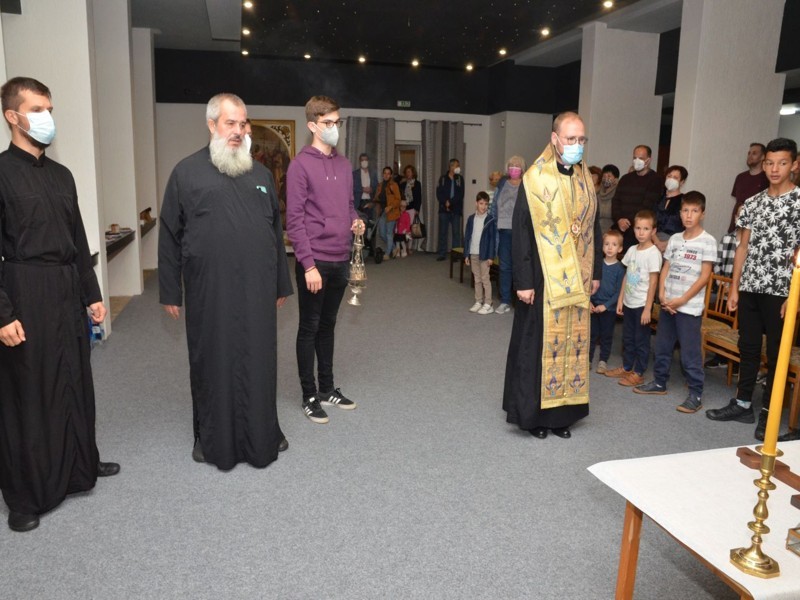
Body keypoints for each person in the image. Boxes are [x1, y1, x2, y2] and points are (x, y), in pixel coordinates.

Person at [0, 76, 119, 533]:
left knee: (74, 378)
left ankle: (79, 465)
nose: (47, 117)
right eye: (37, 109)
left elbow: (78, 239)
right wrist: (3, 314)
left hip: (67, 287)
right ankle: (25, 495)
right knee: (28, 390)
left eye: (49, 109)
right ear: (13, 116)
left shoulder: (62, 175)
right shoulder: (1, 172)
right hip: (23, 289)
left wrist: (92, 293)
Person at [159, 93, 293, 469]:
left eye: (243, 123)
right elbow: (169, 234)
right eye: (230, 123)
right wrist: (170, 290)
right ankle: (209, 436)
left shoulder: (261, 175)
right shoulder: (186, 173)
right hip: (209, 289)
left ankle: (264, 431)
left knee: (259, 358)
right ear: (211, 125)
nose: (238, 130)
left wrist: (281, 282)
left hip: (257, 288)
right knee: (212, 360)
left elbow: (274, 231)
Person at [502, 112, 602, 440]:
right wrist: (523, 281)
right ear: (555, 139)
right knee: (538, 345)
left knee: (572, 346)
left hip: (579, 280)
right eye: (571, 139)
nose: (577, 145)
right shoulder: (535, 178)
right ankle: (534, 418)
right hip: (542, 278)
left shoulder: (585, 180)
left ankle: (561, 417)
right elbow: (520, 232)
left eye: (581, 139)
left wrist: (596, 272)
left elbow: (593, 227)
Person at [706, 138, 800, 442]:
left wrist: (795, 297)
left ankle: (769, 415)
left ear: (794, 164)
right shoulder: (753, 203)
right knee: (747, 348)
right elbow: (742, 247)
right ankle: (743, 404)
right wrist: (734, 287)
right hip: (749, 287)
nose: (774, 169)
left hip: (781, 292)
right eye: (770, 162)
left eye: (782, 163)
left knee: (776, 355)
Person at [286, 95, 364, 424]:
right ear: (313, 126)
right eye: (328, 123)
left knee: (328, 325)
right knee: (309, 326)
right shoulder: (299, 165)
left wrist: (355, 221)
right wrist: (308, 265)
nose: (334, 128)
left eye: (337, 122)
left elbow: (348, 206)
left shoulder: (344, 165)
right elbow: (294, 221)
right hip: (314, 261)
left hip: (340, 258)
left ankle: (327, 388)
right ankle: (309, 394)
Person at [633, 193, 716, 413]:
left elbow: (704, 276)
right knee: (662, 346)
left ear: (702, 214)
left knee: (689, 352)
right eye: (685, 210)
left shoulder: (708, 241)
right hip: (668, 303)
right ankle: (659, 382)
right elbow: (666, 267)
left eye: (694, 211)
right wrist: (661, 294)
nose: (689, 215)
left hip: (688, 307)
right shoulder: (675, 239)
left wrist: (683, 300)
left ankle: (695, 393)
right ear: (680, 213)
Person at [606, 210, 662, 387]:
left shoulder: (653, 253)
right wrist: (620, 299)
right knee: (628, 338)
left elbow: (654, 283)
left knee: (641, 340)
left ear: (653, 231)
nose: (641, 232)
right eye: (638, 228)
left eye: (646, 229)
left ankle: (639, 372)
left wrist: (648, 309)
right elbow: (627, 276)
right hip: (629, 303)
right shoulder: (631, 250)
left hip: (641, 305)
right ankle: (627, 367)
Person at [489, 156, 526, 315]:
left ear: (522, 168)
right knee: (505, 266)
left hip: (521, 231)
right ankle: (505, 300)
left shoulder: (526, 184)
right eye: (511, 165)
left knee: (520, 266)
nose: (514, 168)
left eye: (517, 165)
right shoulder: (502, 183)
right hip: (503, 230)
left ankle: (521, 300)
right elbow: (495, 205)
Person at [611, 145, 663, 251]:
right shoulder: (625, 179)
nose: (637, 161)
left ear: (649, 160)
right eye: (635, 158)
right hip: (620, 227)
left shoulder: (655, 180)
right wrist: (619, 219)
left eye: (641, 158)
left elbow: (647, 205)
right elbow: (616, 201)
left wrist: (628, 222)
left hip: (639, 230)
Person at [590, 230, 625, 374]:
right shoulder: (596, 265)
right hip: (593, 306)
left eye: (614, 245)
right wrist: (589, 302)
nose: (610, 248)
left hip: (608, 309)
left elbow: (619, 292)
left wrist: (606, 305)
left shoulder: (620, 269)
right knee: (591, 334)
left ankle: (603, 360)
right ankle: (588, 359)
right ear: (602, 247)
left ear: (620, 249)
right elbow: (589, 284)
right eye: (606, 244)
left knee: (606, 335)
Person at [464, 191, 497, 315]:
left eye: (486, 204)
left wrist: (491, 256)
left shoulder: (490, 220)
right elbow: (467, 237)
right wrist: (466, 254)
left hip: (484, 254)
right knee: (477, 279)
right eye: (481, 203)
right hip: (473, 253)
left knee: (485, 279)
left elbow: (492, 240)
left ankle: (488, 303)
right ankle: (478, 301)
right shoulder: (471, 219)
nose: (483, 206)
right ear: (476, 203)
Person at [727, 143, 768, 233]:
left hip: (755, 229)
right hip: (735, 226)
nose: (750, 156)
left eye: (754, 153)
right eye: (749, 153)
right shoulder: (740, 177)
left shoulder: (767, 179)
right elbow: (737, 201)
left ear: (762, 157)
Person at [653, 165, 688, 253]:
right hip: (653, 241)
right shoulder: (658, 198)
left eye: (675, 177)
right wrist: (657, 242)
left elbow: (687, 227)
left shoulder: (685, 201)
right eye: (669, 176)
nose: (671, 179)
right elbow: (649, 222)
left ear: (682, 182)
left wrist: (667, 243)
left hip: (675, 243)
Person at [435, 158, 465, 260]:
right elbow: (439, 193)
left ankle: (455, 255)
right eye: (457, 165)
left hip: (456, 210)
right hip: (444, 209)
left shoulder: (460, 179)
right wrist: (446, 202)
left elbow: (460, 194)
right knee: (443, 232)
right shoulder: (443, 178)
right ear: (451, 166)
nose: (458, 167)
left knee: (456, 233)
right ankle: (442, 254)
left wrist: (450, 202)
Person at [375, 166, 401, 258]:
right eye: (385, 173)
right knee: (382, 234)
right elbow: (376, 198)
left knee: (389, 233)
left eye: (388, 173)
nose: (386, 175)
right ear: (382, 174)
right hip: (383, 212)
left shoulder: (394, 185)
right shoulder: (380, 185)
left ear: (391, 175)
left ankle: (387, 253)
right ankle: (394, 248)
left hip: (392, 212)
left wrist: (390, 206)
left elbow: (398, 200)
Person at [399, 164, 422, 253]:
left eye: (409, 172)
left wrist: (417, 209)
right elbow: (400, 195)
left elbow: (419, 197)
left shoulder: (417, 183)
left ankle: (409, 247)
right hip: (403, 208)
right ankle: (403, 246)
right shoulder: (403, 183)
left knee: (410, 228)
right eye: (407, 172)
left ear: (413, 173)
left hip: (412, 208)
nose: (408, 173)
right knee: (403, 227)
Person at [597, 164, 619, 232]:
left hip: (612, 232)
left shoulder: (618, 194)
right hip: (597, 231)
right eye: (604, 176)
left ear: (616, 179)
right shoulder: (597, 193)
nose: (606, 178)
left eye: (609, 176)